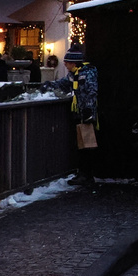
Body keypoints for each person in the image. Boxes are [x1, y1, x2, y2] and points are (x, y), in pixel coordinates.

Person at [44, 45, 98, 185]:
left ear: (73, 63)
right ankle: (84, 173)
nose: (65, 65)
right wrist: (49, 85)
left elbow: (91, 91)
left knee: (86, 146)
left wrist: (88, 109)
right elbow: (63, 83)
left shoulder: (87, 73)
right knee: (82, 144)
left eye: (67, 62)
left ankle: (86, 174)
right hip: (79, 113)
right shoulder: (73, 74)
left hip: (85, 114)